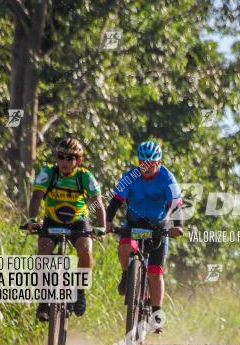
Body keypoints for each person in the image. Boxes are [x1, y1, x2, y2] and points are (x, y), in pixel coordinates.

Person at [105, 141, 184, 332]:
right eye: (142, 162)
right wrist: (107, 221)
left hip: (159, 225)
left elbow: (176, 205)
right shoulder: (130, 176)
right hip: (134, 223)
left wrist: (177, 226)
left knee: (155, 273)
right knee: (125, 245)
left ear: (159, 162)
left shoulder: (168, 179)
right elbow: (115, 201)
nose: (146, 167)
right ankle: (126, 275)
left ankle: (156, 312)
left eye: (151, 162)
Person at [25, 136, 106, 319]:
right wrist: (31, 219)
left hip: (78, 220)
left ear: (79, 160)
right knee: (42, 254)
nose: (64, 161)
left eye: (70, 158)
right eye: (61, 156)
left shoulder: (84, 176)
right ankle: (44, 302)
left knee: (85, 250)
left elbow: (97, 202)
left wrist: (101, 227)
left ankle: (79, 291)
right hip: (52, 219)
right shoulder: (49, 173)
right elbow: (37, 197)